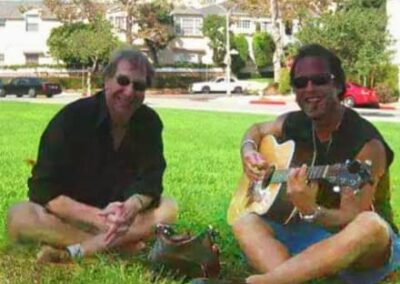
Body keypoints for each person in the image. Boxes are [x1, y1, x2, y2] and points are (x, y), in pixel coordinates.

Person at [232, 44, 399, 284]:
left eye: (319, 80)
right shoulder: (296, 122)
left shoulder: (366, 143)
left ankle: (268, 281)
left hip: (359, 248)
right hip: (311, 236)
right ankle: (292, 276)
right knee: (245, 221)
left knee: (369, 225)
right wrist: (248, 150)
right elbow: (257, 129)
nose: (309, 89)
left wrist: (311, 211)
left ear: (339, 85)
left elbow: (352, 217)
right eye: (300, 83)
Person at [6, 47, 178, 263]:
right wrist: (97, 219)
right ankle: (118, 249)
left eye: (139, 85)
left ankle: (79, 251)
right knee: (19, 216)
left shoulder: (149, 122)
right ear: (107, 80)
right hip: (71, 217)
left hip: (122, 220)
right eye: (123, 81)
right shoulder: (70, 120)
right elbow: (43, 190)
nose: (129, 92)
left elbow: (151, 180)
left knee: (169, 208)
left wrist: (131, 206)